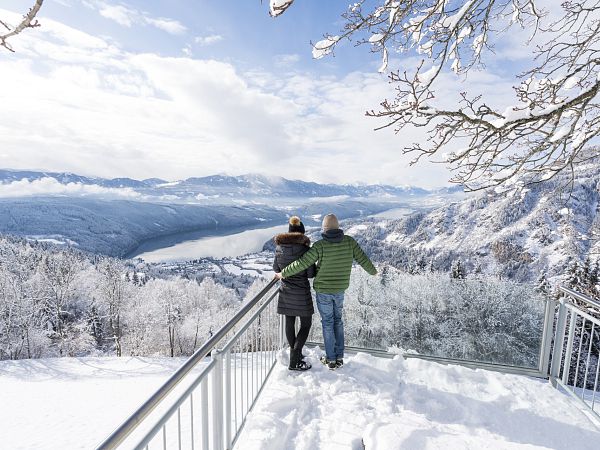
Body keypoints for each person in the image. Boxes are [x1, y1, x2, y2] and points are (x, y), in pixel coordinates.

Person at [275, 213, 377, 370]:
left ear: (324, 229)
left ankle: (330, 359)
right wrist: (374, 272)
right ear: (338, 227)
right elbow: (363, 259)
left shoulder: (320, 245)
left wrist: (283, 273)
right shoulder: (350, 242)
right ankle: (339, 357)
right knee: (338, 321)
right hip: (340, 290)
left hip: (323, 290)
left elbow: (302, 263)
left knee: (328, 323)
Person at [273, 216, 316, 371]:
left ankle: (295, 356)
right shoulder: (306, 250)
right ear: (302, 234)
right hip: (302, 293)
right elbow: (311, 274)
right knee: (306, 324)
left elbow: (277, 269)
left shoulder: (279, 248)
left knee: (289, 323)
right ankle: (295, 360)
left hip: (286, 291)